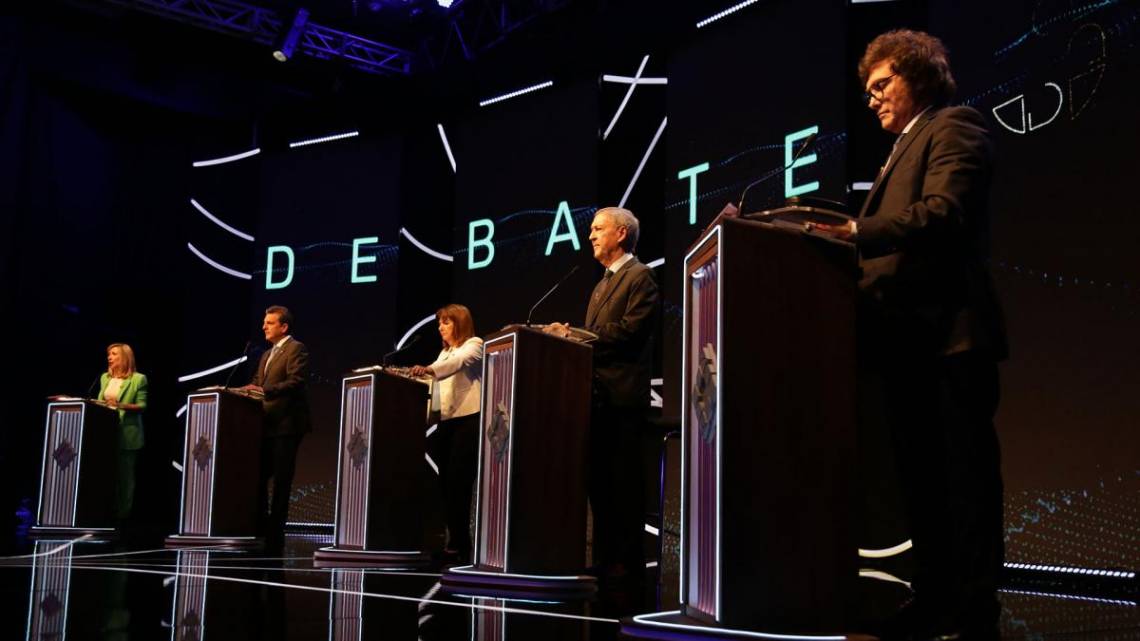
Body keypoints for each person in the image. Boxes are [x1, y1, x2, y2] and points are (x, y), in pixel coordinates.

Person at [813, 30, 1008, 639]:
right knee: (921, 483)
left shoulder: (954, 125)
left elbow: (943, 213)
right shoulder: (899, 149)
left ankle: (975, 610)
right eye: (867, 91)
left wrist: (853, 233)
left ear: (918, 74)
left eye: (881, 85)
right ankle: (934, 601)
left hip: (948, 338)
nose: (871, 101)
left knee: (962, 478)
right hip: (905, 346)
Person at [547, 207, 659, 583]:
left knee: (623, 485)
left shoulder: (640, 276)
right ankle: (606, 557)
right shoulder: (600, 285)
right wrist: (571, 334)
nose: (590, 236)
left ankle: (627, 564)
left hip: (622, 400)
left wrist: (576, 335)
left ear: (622, 234)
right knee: (600, 484)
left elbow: (629, 332)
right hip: (596, 400)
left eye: (598, 229)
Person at [410, 304, 484, 563]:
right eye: (439, 322)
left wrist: (428, 369)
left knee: (459, 486)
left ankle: (461, 546)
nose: (440, 327)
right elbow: (434, 373)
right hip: (446, 424)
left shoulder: (473, 344)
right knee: (446, 487)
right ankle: (456, 542)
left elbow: (458, 363)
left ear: (460, 323)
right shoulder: (444, 353)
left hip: (468, 422)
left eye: (446, 322)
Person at [244, 305, 312, 549]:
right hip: (265, 423)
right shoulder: (266, 354)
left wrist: (265, 390)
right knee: (259, 476)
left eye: (270, 323)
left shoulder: (296, 349)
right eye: (264, 322)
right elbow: (256, 382)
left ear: (284, 327)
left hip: (286, 423)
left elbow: (296, 381)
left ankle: (276, 530)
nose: (264, 326)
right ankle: (260, 525)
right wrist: (244, 390)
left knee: (282, 479)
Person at [97, 343, 148, 521]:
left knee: (125, 477)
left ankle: (123, 516)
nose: (109, 357)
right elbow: (100, 402)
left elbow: (142, 406)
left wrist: (120, 405)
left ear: (124, 357)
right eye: (108, 354)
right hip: (107, 433)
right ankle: (106, 512)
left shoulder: (138, 379)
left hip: (128, 434)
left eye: (113, 354)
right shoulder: (105, 378)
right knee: (107, 474)